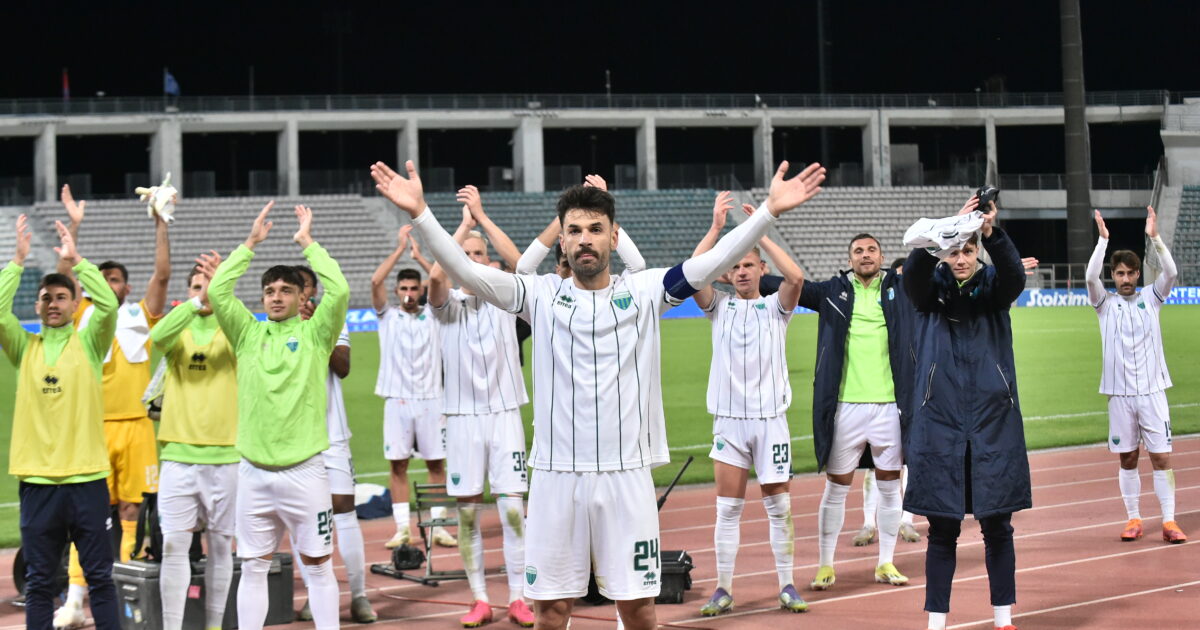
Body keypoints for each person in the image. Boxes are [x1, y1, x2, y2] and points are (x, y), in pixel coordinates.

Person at [371, 158, 824, 630]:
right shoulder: (538, 295)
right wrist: (421, 212)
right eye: (574, 230)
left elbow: (715, 260)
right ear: (562, 241)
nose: (584, 238)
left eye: (595, 229)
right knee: (551, 612)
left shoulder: (647, 290)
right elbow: (464, 269)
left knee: (639, 610)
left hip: (626, 476)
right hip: (556, 477)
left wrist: (768, 211)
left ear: (613, 236)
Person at [206, 202, 349, 630]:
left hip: (305, 471)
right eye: (270, 291)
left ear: (303, 298)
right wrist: (249, 244)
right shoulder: (247, 334)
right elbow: (218, 292)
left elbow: (340, 290)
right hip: (253, 472)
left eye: (286, 290)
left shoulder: (316, 334)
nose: (276, 297)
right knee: (253, 566)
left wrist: (308, 243)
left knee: (318, 565)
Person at [902, 196, 1030, 630]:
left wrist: (992, 232)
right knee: (942, 531)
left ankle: (1003, 620)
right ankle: (936, 622)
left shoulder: (995, 288)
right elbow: (914, 274)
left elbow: (1014, 276)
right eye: (954, 252)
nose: (960, 259)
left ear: (978, 252)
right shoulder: (928, 292)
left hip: (994, 422)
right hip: (939, 422)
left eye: (968, 250)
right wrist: (943, 230)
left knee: (998, 527)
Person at [56, 184, 171, 628]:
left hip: (138, 427)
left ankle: (121, 594)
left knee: (130, 513)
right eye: (102, 279)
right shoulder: (81, 314)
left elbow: (162, 277)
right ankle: (74, 600)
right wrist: (74, 230)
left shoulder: (141, 314)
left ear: (126, 286)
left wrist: (161, 222)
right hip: (94, 429)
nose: (110, 284)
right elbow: (62, 279)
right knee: (86, 517)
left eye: (116, 279)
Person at [692, 196, 808, 615]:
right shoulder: (718, 308)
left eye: (749, 264)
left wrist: (762, 230)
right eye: (736, 266)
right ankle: (723, 588)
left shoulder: (776, 308)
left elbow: (796, 276)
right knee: (727, 510)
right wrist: (715, 229)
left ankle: (787, 585)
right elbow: (693, 272)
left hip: (770, 421)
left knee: (779, 508)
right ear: (727, 273)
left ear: (761, 269)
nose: (742, 271)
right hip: (729, 422)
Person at [2, 216, 119, 630]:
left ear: (74, 304)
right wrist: (16, 262)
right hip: (38, 481)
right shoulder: (24, 347)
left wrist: (78, 260)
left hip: (86, 479)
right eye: (46, 298)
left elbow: (109, 304)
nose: (52, 303)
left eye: (61, 297)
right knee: (39, 582)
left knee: (101, 578)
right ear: (36, 306)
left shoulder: (90, 343)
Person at [426, 187, 533, 628]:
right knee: (468, 514)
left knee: (513, 512)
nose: (470, 261)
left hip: (505, 414)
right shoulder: (445, 306)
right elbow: (436, 277)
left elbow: (524, 265)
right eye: (464, 256)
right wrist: (461, 231)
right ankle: (480, 599)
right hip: (463, 419)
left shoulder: (506, 300)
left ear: (490, 263)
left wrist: (483, 220)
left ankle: (519, 598)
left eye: (478, 255)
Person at [800, 232, 915, 590]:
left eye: (871, 250)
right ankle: (825, 565)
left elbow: (940, 268)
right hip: (846, 405)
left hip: (889, 406)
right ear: (849, 259)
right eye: (858, 251)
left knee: (890, 486)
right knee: (836, 487)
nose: (865, 255)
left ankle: (886, 563)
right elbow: (790, 283)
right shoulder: (833, 292)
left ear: (882, 256)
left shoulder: (900, 291)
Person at [149, 257, 238, 630]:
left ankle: (214, 625)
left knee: (220, 546)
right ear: (187, 293)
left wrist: (221, 292)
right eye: (196, 287)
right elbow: (156, 338)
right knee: (173, 546)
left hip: (226, 454)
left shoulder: (234, 329)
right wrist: (194, 302)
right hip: (178, 454)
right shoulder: (179, 329)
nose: (203, 294)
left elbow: (240, 325)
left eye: (209, 287)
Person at [1088, 207, 1185, 543]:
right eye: (1120, 274)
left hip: (1153, 392)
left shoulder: (1152, 298)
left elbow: (1171, 272)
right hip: (1120, 395)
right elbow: (1090, 278)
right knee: (1128, 458)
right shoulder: (1104, 305)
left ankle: (1169, 521)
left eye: (1130, 273)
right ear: (1113, 276)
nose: (1126, 279)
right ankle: (1133, 518)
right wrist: (1102, 242)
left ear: (1138, 274)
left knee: (1161, 457)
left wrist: (1155, 238)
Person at [291, 264, 377, 623]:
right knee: (301, 517)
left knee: (343, 510)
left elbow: (342, 367)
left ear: (313, 291)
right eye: (293, 286)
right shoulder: (275, 326)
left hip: (332, 433)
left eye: (305, 286)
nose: (301, 292)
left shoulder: (332, 318)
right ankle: (315, 594)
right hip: (294, 437)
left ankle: (358, 595)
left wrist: (318, 328)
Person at [371, 226, 456, 549]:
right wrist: (398, 250)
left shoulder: (434, 315)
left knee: (436, 464)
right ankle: (402, 528)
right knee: (398, 464)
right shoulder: (387, 316)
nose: (408, 293)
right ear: (397, 291)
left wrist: (420, 256)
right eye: (403, 288)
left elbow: (444, 282)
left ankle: (439, 526)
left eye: (413, 288)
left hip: (432, 399)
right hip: (397, 399)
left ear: (421, 290)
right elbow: (375, 282)